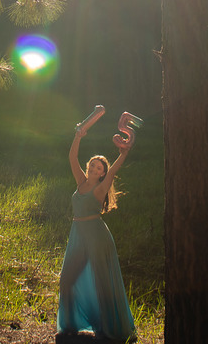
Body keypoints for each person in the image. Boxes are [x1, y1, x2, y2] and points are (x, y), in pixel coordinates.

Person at [56, 110, 137, 343]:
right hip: (78, 234)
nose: (94, 169)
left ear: (102, 174)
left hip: (97, 236)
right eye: (92, 165)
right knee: (67, 279)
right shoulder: (80, 182)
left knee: (102, 283)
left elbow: (114, 171)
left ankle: (109, 329)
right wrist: (78, 135)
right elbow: (72, 158)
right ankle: (70, 325)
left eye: (99, 168)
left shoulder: (100, 188)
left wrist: (123, 153)